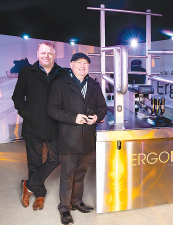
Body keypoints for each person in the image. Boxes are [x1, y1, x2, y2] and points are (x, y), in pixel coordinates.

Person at [47, 52, 107, 224]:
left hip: (87, 138)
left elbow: (102, 107)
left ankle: (76, 202)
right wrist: (73, 118)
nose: (83, 66)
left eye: (86, 63)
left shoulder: (94, 85)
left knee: (81, 173)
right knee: (67, 175)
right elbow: (52, 109)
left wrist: (97, 116)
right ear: (71, 65)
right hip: (68, 138)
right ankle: (65, 208)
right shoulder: (61, 84)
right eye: (79, 63)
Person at [12, 41, 68, 210]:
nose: (46, 56)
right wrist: (28, 115)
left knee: (56, 157)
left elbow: (68, 98)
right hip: (33, 125)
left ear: (54, 55)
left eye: (50, 53)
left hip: (55, 125)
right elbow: (18, 97)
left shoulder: (63, 73)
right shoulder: (27, 72)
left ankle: (28, 185)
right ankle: (40, 195)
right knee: (34, 162)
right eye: (43, 53)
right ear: (37, 54)